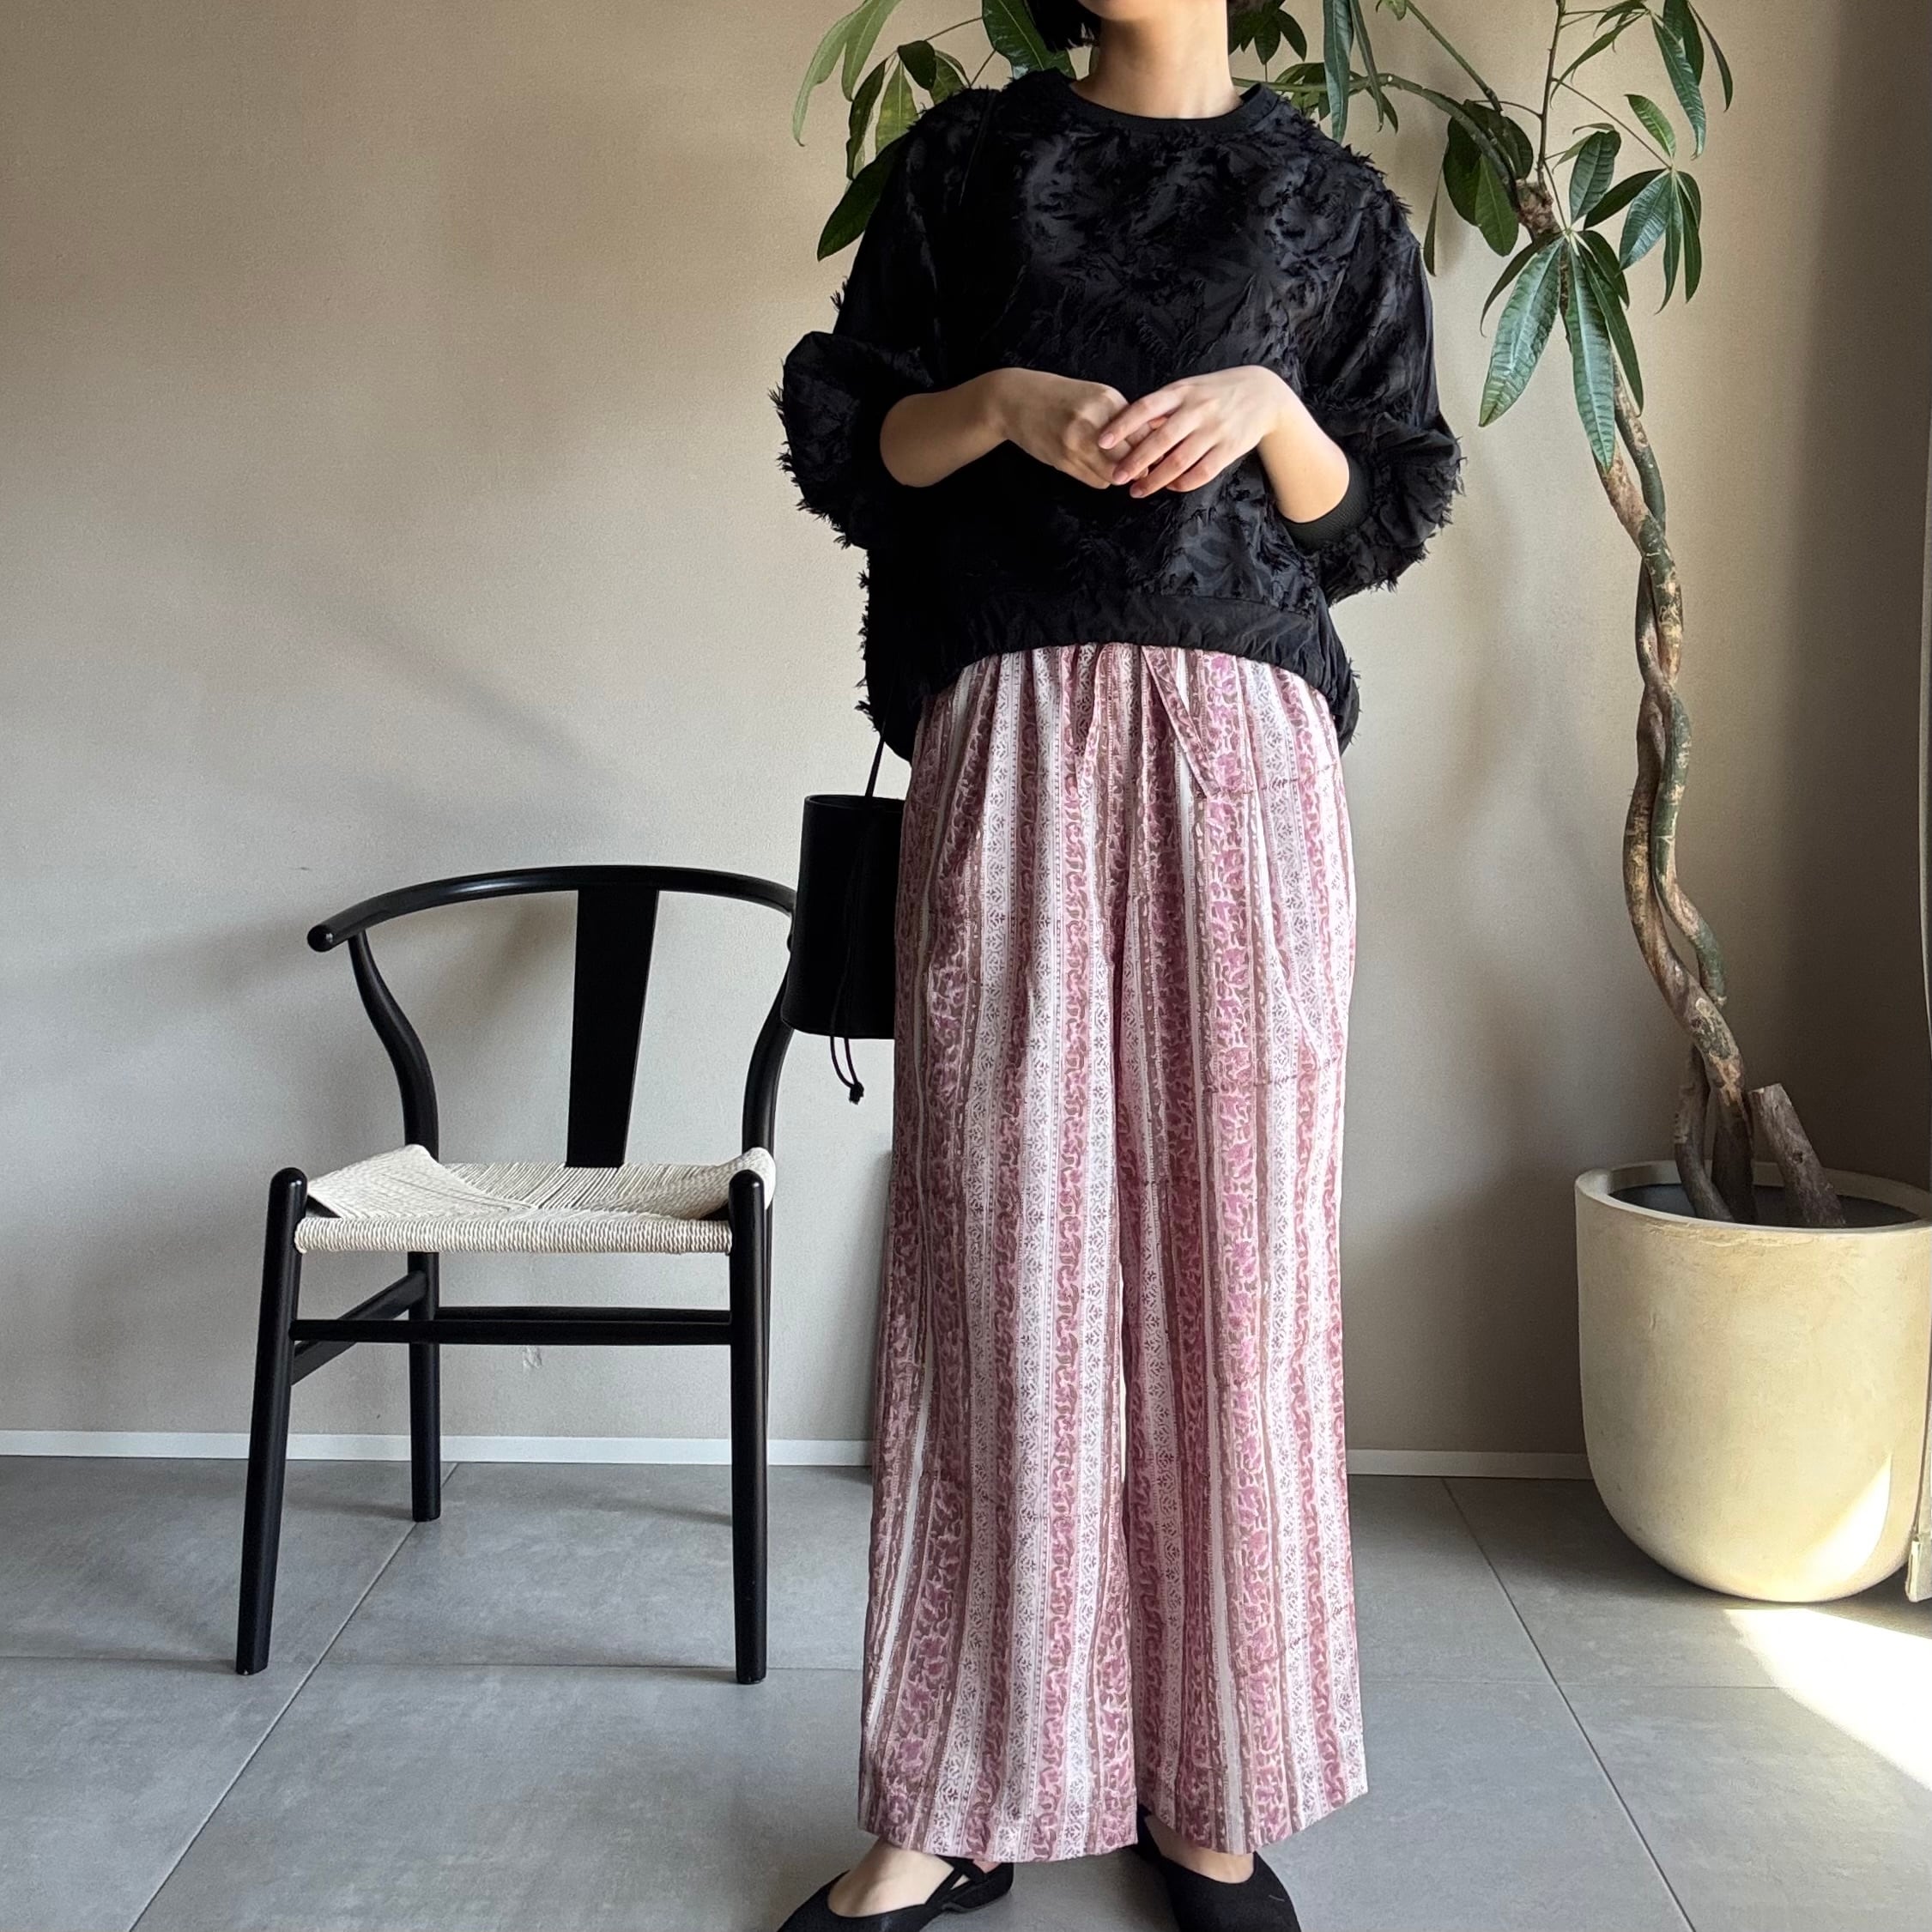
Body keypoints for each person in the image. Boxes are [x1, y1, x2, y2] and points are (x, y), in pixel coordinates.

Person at [771, 3, 1460, 1927]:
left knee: (1241, 1265)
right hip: (1012, 737)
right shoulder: (967, 166)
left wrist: (1272, 415)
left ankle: (1212, 1787)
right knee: (999, 1259)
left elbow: (1386, 498)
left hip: (1248, 750)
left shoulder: (1330, 201)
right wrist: (999, 402)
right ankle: (955, 1794)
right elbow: (854, 438)